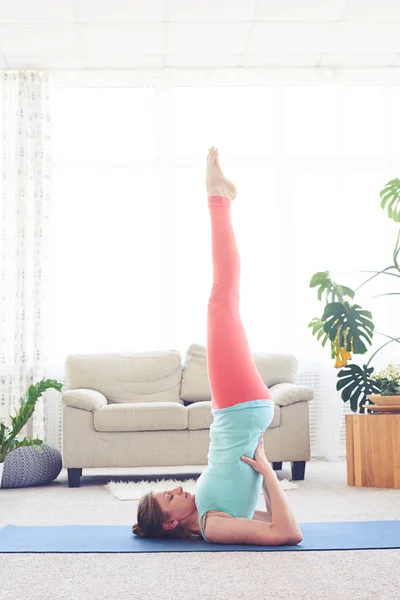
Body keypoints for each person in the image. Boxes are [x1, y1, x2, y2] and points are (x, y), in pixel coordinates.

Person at [132, 147, 303, 546]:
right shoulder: (211, 525)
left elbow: (273, 521)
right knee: (220, 298)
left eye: (168, 490)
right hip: (238, 407)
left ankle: (219, 197)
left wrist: (262, 472)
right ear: (171, 524)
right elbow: (289, 532)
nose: (176, 489)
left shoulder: (213, 511)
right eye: (169, 498)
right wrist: (266, 471)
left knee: (225, 299)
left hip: (241, 409)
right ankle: (217, 197)